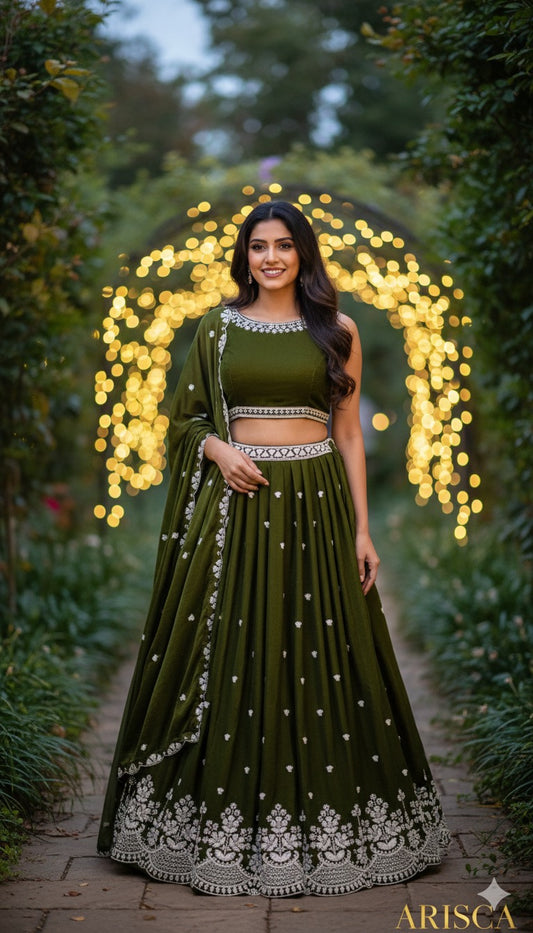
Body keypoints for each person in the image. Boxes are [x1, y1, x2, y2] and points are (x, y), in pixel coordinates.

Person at [97, 200, 449, 896]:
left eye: (283, 246)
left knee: (324, 649)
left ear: (303, 254)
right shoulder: (216, 329)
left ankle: (335, 824)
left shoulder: (335, 330)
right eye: (258, 246)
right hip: (236, 505)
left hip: (317, 505)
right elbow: (185, 416)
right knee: (226, 646)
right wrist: (217, 447)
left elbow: (347, 433)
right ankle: (205, 821)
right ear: (243, 256)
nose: (270, 258)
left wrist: (361, 528)